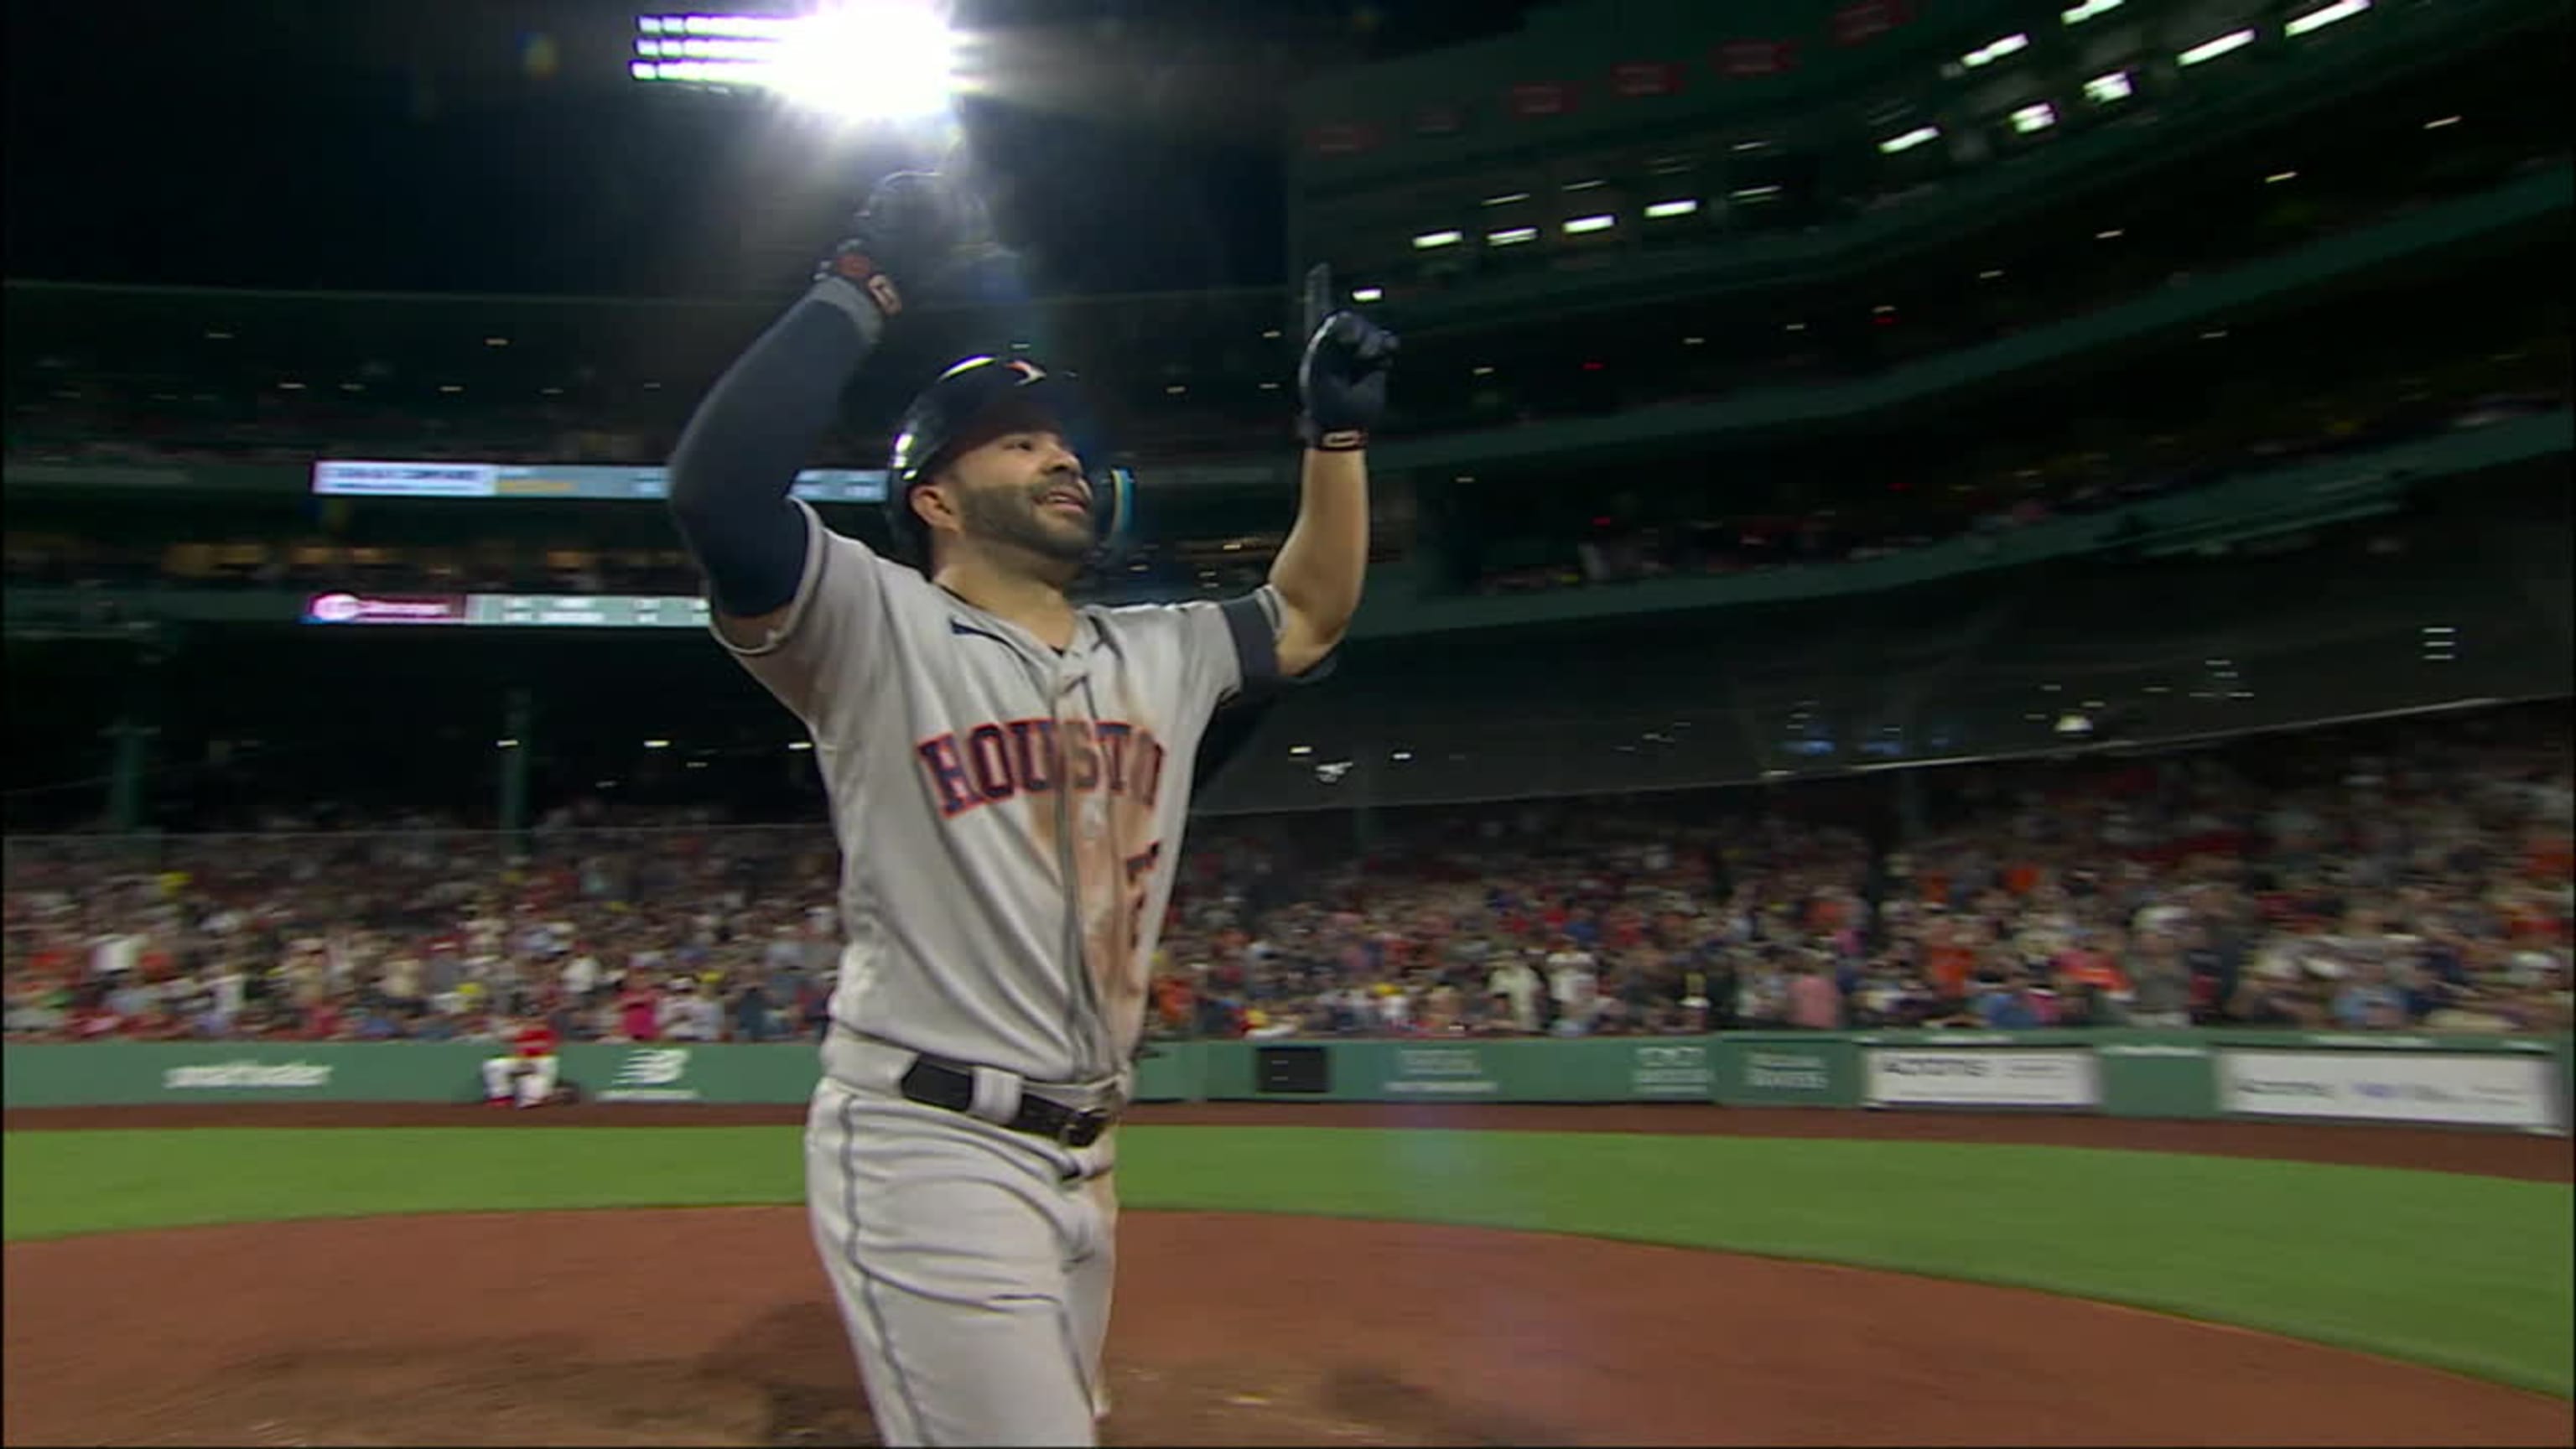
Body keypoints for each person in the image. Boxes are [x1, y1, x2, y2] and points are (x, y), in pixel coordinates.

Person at [665, 170, 1393, 1446]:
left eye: (1064, 443)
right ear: (933, 499)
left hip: (1089, 1150)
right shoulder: (869, 621)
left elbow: (1312, 612)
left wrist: (1333, 445)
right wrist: (860, 283)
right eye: (1015, 439)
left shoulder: (1159, 650)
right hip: (927, 1142)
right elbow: (719, 495)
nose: (1061, 456)